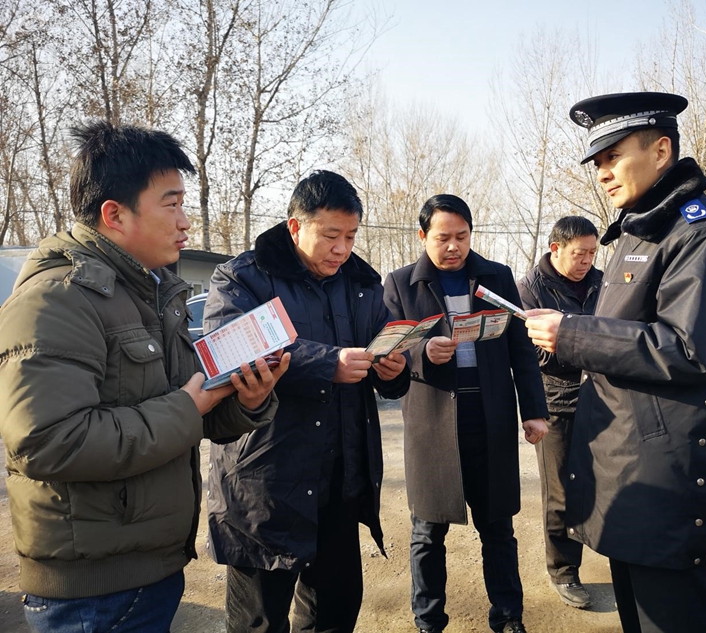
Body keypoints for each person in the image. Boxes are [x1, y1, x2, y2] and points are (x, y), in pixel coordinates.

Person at [0, 121, 284, 633]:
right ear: (114, 214)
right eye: (171, 204)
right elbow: (46, 441)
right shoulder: (58, 299)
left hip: (146, 568)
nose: (185, 222)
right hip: (94, 592)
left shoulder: (149, 294)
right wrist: (188, 408)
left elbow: (188, 408)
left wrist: (248, 399)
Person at [524, 92, 706, 633]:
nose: (604, 174)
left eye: (614, 157)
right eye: (598, 163)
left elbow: (688, 348)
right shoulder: (641, 229)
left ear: (660, 150)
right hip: (627, 464)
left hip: (664, 466)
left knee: (671, 617)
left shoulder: (699, 233)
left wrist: (573, 335)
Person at [203, 170, 410, 633]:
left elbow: (383, 342)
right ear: (296, 227)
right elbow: (232, 348)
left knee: (334, 613)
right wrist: (327, 362)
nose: (342, 249)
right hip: (267, 485)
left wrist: (396, 370)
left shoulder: (359, 282)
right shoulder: (243, 278)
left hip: (340, 479)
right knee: (260, 621)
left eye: (351, 236)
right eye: (331, 235)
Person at [383, 194, 549, 633]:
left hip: (489, 416)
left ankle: (509, 617)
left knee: (497, 528)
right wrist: (422, 352)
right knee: (427, 533)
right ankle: (428, 621)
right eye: (443, 238)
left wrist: (533, 411)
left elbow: (521, 350)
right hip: (432, 422)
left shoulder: (496, 277)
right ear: (422, 237)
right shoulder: (402, 284)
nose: (453, 246)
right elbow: (389, 348)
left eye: (461, 236)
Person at [517, 215, 602, 609]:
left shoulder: (603, 281)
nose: (586, 260)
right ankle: (564, 571)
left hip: (604, 398)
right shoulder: (530, 289)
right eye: (578, 252)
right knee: (561, 491)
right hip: (557, 403)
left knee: (608, 480)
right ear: (556, 248)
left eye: (591, 252)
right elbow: (534, 353)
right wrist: (590, 345)